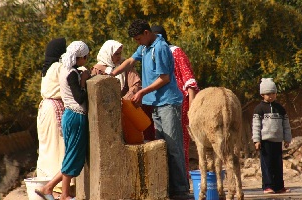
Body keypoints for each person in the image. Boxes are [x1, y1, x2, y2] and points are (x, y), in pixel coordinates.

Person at [109, 19, 191, 199]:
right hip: (156, 104)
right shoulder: (145, 47)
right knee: (162, 147)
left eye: (139, 39)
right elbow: (130, 61)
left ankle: (181, 189)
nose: (137, 43)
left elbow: (164, 79)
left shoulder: (160, 48)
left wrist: (142, 92)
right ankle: (169, 187)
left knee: (173, 147)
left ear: (147, 33)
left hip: (168, 103)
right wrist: (112, 73)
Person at [35, 41, 90, 200]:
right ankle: (59, 191)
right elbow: (77, 96)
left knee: (55, 152)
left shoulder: (51, 68)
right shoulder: (62, 69)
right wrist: (84, 81)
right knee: (63, 152)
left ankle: (51, 187)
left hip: (48, 110)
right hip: (62, 110)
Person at [151, 25, 200, 179]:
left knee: (179, 145)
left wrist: (191, 110)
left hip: (179, 104)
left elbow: (189, 81)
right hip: (160, 103)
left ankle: (181, 182)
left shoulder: (175, 52)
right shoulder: (151, 53)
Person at [36, 37, 68, 199]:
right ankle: (57, 188)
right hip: (55, 108)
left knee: (48, 148)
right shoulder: (58, 67)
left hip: (45, 111)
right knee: (58, 148)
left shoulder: (47, 68)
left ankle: (46, 182)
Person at [252, 78, 292, 194]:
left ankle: (279, 186)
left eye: (273, 93)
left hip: (277, 141)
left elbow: (286, 125)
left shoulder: (280, 108)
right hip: (265, 142)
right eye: (268, 94)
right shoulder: (259, 109)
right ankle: (268, 186)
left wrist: (287, 138)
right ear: (262, 95)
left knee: (278, 164)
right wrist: (256, 140)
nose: (271, 96)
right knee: (267, 165)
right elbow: (256, 126)